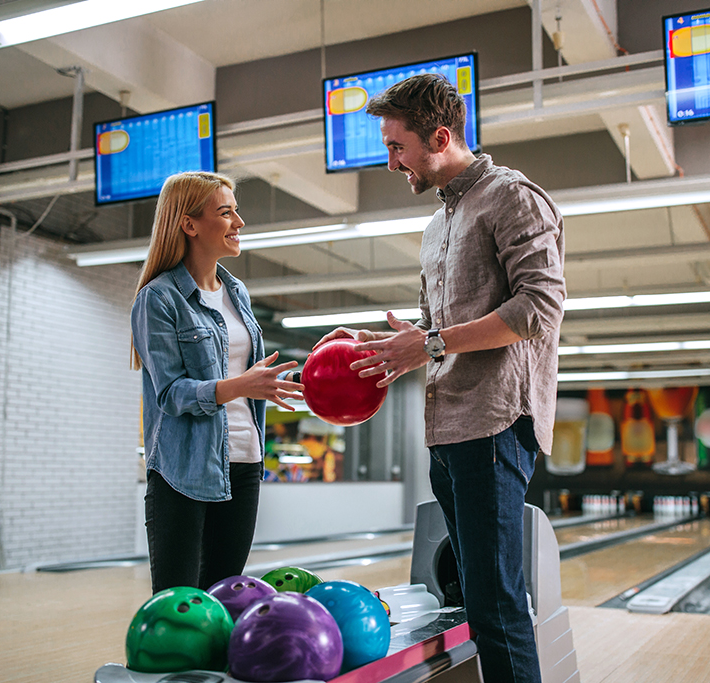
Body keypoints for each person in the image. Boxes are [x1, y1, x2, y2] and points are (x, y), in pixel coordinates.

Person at [316, 74, 565, 683]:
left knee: (497, 603)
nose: (390, 159)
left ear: (440, 136)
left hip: (494, 424)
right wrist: (397, 343)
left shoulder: (511, 197)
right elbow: (442, 327)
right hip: (447, 428)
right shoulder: (435, 228)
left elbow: (539, 308)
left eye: (397, 146)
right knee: (471, 598)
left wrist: (428, 341)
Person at [131, 171, 304, 594]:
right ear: (189, 224)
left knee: (225, 600)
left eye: (237, 212)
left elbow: (247, 375)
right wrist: (240, 386)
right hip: (183, 471)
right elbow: (170, 394)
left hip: (244, 463)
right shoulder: (158, 298)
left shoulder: (236, 291)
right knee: (182, 607)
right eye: (226, 213)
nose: (239, 223)